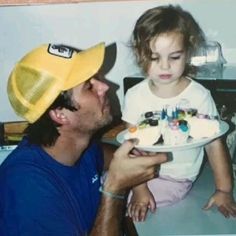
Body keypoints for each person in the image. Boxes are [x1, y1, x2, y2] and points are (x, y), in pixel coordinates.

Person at [0, 42, 168, 235]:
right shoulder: (29, 190)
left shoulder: (79, 147)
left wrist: (132, 161)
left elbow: (102, 154)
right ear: (60, 115)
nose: (104, 86)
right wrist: (115, 187)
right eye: (89, 86)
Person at [122, 4, 236, 222]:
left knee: (119, 203)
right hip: (139, 174)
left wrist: (224, 190)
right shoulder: (135, 96)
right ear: (140, 55)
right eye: (154, 58)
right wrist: (139, 188)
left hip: (175, 178)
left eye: (174, 57)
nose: (165, 66)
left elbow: (215, 145)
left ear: (187, 53)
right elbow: (131, 149)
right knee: (102, 187)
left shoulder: (199, 96)